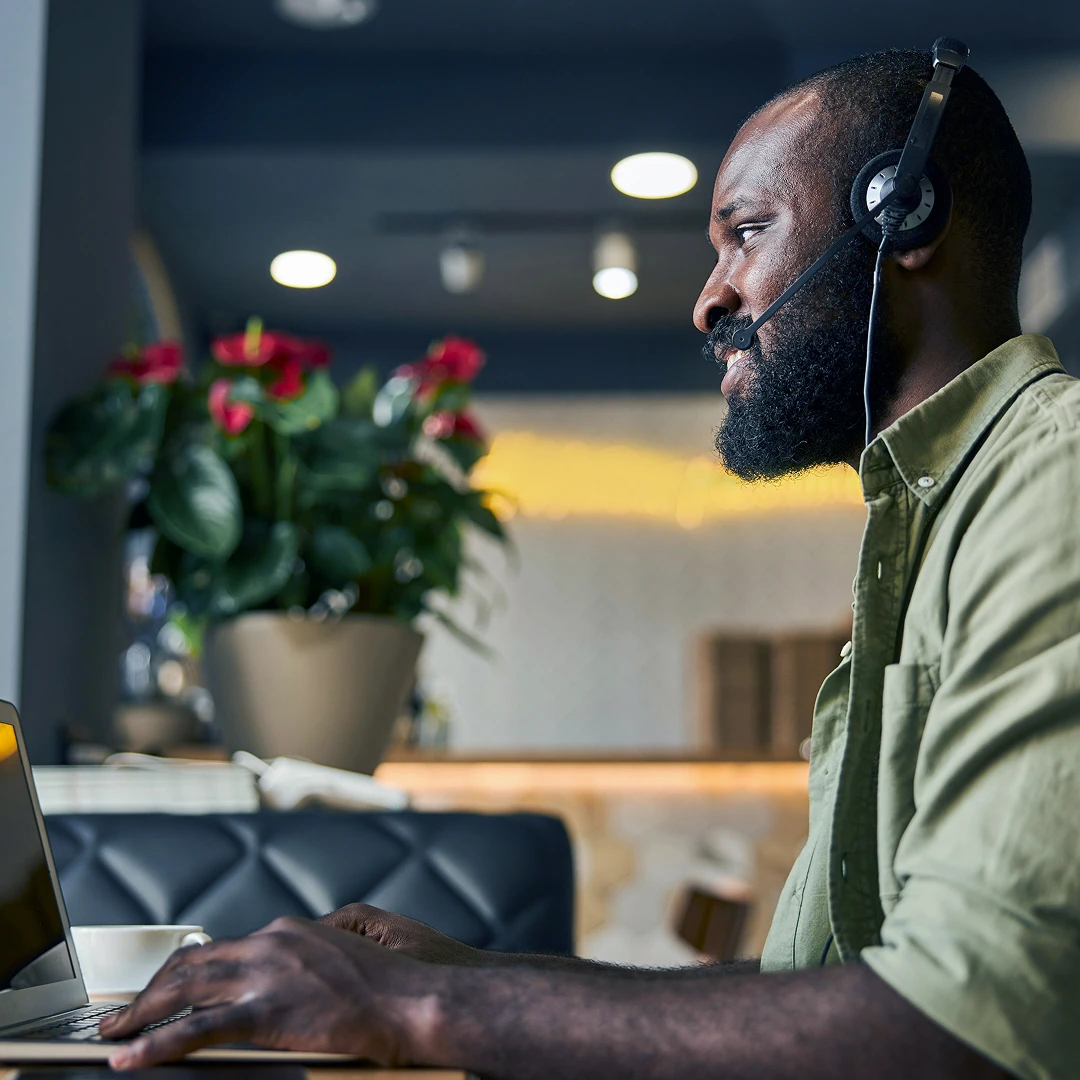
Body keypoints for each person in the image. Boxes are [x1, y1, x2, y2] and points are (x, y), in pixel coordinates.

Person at [101, 48, 1078, 1079]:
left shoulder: (1050, 487)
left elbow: (955, 1019)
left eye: (747, 233)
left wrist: (420, 1010)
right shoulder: (929, 520)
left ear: (902, 217)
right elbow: (836, 980)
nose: (710, 301)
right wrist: (477, 978)